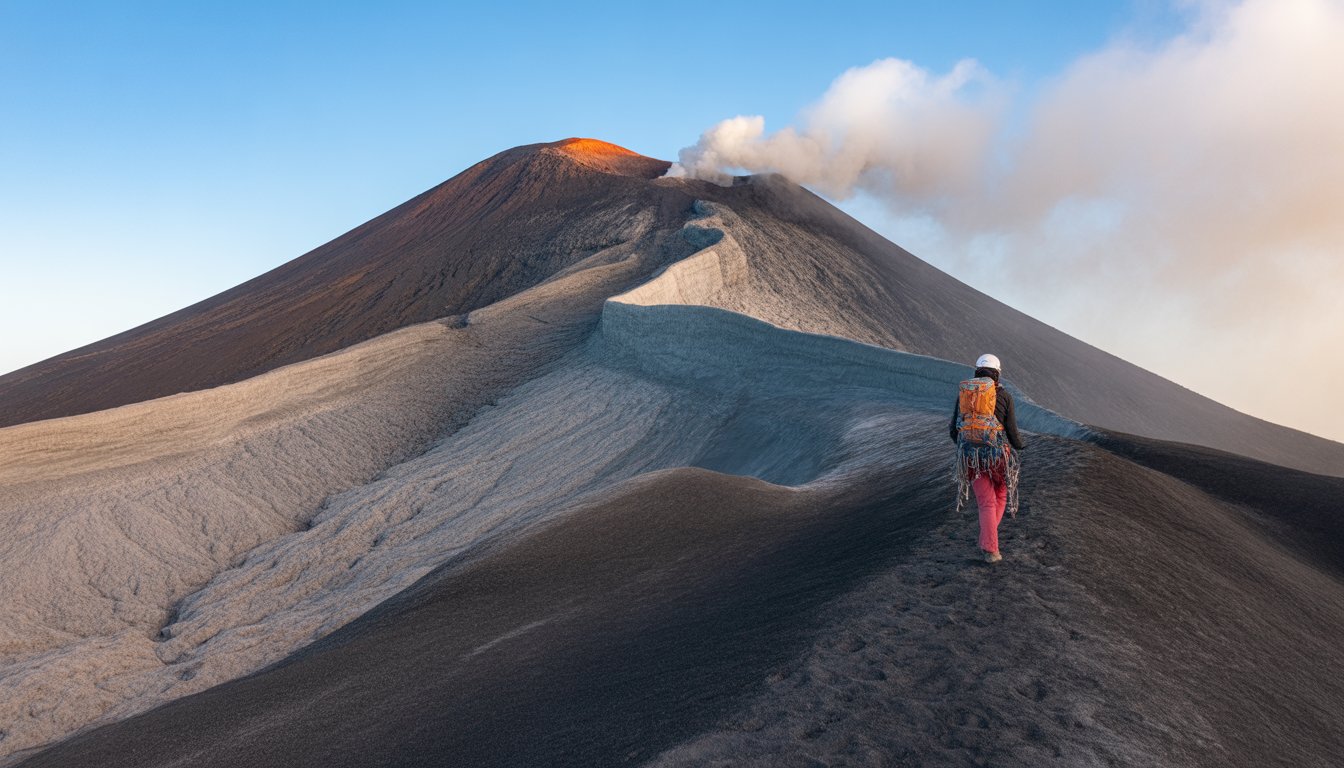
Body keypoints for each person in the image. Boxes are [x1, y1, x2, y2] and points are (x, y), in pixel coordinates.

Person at [949, 353, 1026, 563]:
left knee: (985, 502)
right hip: (998, 457)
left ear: (977, 372)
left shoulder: (965, 395)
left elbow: (953, 430)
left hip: (970, 458)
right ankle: (990, 546)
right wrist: (1020, 446)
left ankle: (989, 543)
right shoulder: (1005, 397)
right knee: (1000, 494)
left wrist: (969, 447)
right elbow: (1012, 432)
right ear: (997, 374)